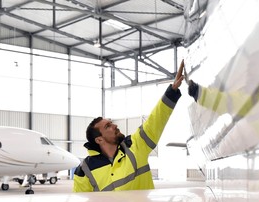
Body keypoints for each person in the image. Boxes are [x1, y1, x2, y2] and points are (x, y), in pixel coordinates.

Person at [73, 59, 193, 192]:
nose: (114, 126)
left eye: (111, 123)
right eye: (108, 126)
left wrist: (172, 91)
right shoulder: (85, 170)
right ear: (99, 139)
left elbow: (154, 121)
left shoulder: (134, 146)